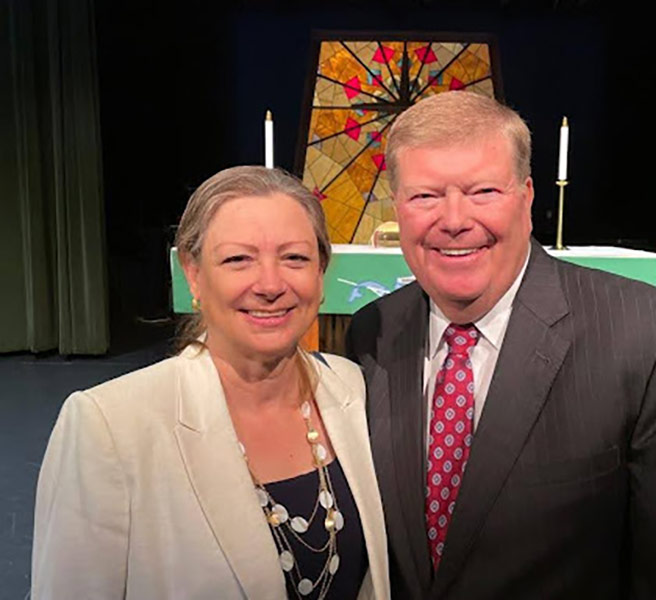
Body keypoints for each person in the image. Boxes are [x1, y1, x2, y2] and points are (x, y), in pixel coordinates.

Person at [346, 91, 656, 599]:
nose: (454, 219)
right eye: (425, 196)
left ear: (528, 196)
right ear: (397, 207)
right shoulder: (371, 332)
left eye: (483, 191)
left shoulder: (648, 336)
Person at [32, 166, 390, 600]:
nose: (271, 284)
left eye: (295, 257)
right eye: (238, 259)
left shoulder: (349, 386)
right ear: (193, 275)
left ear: (320, 273)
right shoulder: (109, 425)